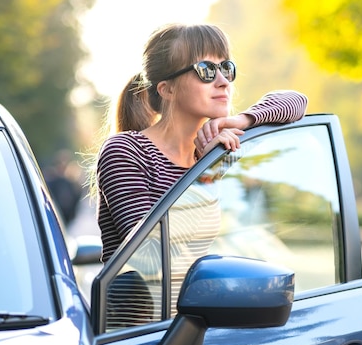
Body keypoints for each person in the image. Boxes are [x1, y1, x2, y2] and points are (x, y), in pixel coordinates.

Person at [95, 23, 308, 264]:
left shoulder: (217, 149)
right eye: (206, 70)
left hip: (202, 300)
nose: (223, 81)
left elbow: (297, 102)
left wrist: (241, 120)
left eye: (226, 68)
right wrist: (206, 176)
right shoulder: (126, 151)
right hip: (146, 302)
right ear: (167, 89)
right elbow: (149, 256)